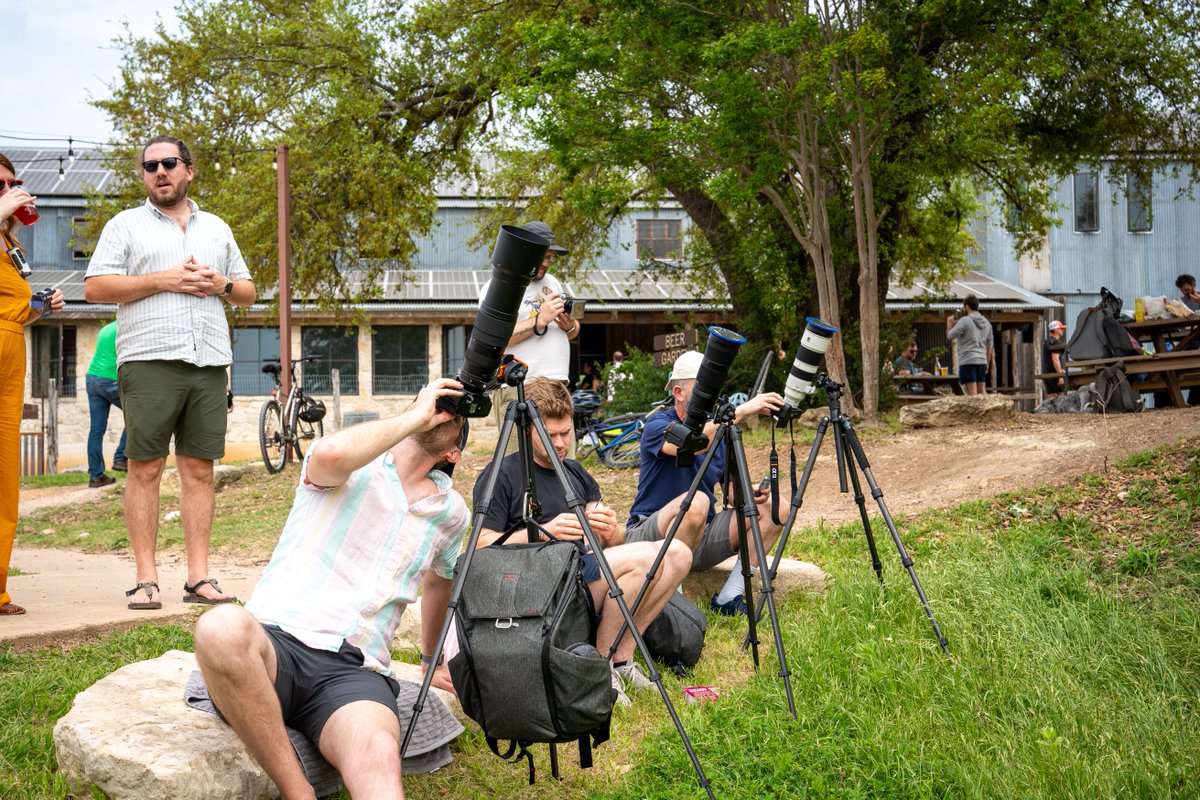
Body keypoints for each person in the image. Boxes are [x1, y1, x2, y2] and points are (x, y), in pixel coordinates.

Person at [193, 378, 469, 800]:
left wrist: (434, 660)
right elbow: (331, 453)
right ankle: (296, 791)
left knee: (378, 752)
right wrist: (416, 417)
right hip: (278, 643)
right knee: (220, 628)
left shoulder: (452, 513)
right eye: (429, 400)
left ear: (454, 453)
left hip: (353, 671)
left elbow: (439, 585)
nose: (441, 408)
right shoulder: (359, 462)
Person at [83, 135, 256, 609]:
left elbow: (247, 291)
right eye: (150, 166)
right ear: (143, 175)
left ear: (189, 170)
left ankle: (198, 578)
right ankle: (145, 579)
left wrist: (220, 283)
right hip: (149, 359)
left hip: (209, 361)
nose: (160, 171)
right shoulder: (125, 225)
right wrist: (164, 279)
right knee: (145, 468)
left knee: (200, 470)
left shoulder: (217, 228)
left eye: (169, 163)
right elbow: (95, 287)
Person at [473, 379, 691, 704]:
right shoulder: (502, 474)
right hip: (538, 587)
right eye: (551, 435)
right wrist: (542, 531)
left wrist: (610, 529)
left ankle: (621, 659)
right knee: (654, 557)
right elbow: (479, 548)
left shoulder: (575, 473)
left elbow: (611, 545)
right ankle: (598, 669)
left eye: (566, 432)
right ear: (527, 429)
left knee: (679, 555)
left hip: (583, 577)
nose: (561, 443)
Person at [625, 350, 785, 616]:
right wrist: (742, 411)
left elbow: (731, 492)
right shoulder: (658, 424)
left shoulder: (720, 430)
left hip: (700, 535)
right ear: (678, 392)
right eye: (704, 388)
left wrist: (751, 495)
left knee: (777, 508)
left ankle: (729, 598)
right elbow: (690, 445)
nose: (712, 398)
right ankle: (672, 605)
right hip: (651, 534)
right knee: (696, 503)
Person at [0, 153, 65, 616]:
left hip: (9, 371)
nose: (8, 190)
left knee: (5, 482)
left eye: (11, 183)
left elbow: (15, 308)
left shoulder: (8, 242)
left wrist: (42, 303)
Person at [482, 221, 580, 426]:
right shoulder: (500, 286)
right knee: (517, 457)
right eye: (542, 256)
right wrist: (539, 321)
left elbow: (571, 333)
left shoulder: (552, 282)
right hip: (521, 386)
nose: (546, 263)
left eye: (550, 257)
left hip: (558, 385)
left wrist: (569, 325)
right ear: (524, 252)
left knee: (562, 456)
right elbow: (495, 338)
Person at [85, 319, 128, 488]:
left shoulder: (107, 328)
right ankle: (121, 458)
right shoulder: (126, 326)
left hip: (92, 378)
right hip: (111, 380)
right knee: (138, 415)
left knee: (96, 429)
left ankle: (96, 476)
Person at [945, 294, 994, 396]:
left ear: (966, 307)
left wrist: (949, 323)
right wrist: (987, 362)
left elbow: (950, 336)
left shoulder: (964, 321)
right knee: (982, 393)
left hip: (968, 360)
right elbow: (990, 345)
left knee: (973, 396)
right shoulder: (987, 323)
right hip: (982, 360)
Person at [1042, 320, 1068, 396]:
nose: (1062, 330)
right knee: (1061, 397)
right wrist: (1060, 376)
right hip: (1054, 375)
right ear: (1056, 330)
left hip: (1047, 374)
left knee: (1051, 399)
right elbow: (1055, 359)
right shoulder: (1056, 342)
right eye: (1061, 328)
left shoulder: (1047, 341)